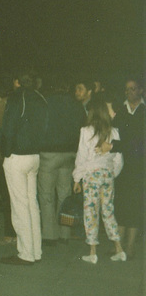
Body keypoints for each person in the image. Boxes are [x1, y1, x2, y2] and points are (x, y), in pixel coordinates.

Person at [0, 68, 47, 265]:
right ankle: (36, 251)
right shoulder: (40, 98)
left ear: (17, 81)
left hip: (17, 157)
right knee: (32, 204)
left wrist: (5, 151)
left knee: (19, 206)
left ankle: (25, 253)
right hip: (35, 155)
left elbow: (8, 127)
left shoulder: (17, 97)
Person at [72, 96, 125, 264]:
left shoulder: (85, 131)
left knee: (90, 212)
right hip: (107, 175)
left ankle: (93, 251)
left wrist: (77, 178)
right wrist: (110, 173)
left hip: (91, 176)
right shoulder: (114, 131)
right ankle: (119, 249)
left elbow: (81, 157)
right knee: (108, 212)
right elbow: (118, 159)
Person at [38, 75, 87, 245]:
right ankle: (64, 233)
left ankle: (49, 235)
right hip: (69, 153)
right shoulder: (76, 104)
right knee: (65, 194)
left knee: (46, 195)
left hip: (49, 153)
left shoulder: (45, 102)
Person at [100, 77, 145, 259]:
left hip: (139, 166)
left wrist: (117, 146)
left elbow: (139, 143)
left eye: (133, 89)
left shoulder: (143, 111)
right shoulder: (122, 112)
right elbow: (114, 135)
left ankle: (130, 245)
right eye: (127, 89)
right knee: (120, 204)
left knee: (135, 206)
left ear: (140, 90)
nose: (129, 92)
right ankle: (118, 244)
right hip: (122, 165)